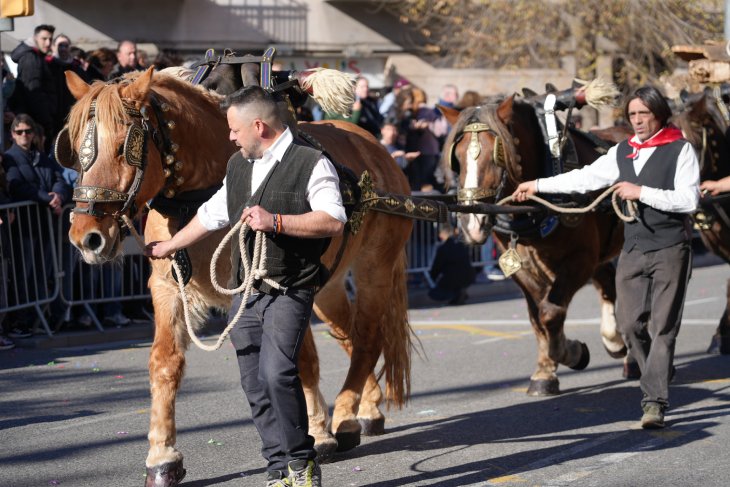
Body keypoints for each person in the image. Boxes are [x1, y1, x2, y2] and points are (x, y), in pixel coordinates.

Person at [145, 86, 345, 487]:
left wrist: (277, 222)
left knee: (276, 374)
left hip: (289, 286)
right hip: (246, 290)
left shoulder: (312, 163)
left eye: (235, 129)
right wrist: (169, 245)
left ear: (259, 126)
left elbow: (333, 220)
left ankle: (301, 463)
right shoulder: (239, 164)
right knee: (253, 383)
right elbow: (212, 214)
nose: (230, 137)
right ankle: (277, 470)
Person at [512, 86, 700, 429]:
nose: (638, 120)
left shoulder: (680, 149)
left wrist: (640, 192)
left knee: (663, 327)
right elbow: (586, 178)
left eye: (644, 114)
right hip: (634, 248)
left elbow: (688, 201)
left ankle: (654, 401)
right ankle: (659, 371)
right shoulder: (623, 151)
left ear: (658, 114)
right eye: (633, 115)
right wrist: (537, 185)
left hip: (672, 247)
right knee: (629, 325)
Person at [3, 114, 72, 335]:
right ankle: (22, 320)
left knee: (43, 274)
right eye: (20, 132)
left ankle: (39, 316)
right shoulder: (10, 158)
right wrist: (47, 198)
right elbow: (17, 186)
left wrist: (58, 196)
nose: (25, 135)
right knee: (25, 273)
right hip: (24, 227)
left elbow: (59, 180)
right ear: (13, 134)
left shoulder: (41, 157)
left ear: (34, 134)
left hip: (45, 226)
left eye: (28, 131)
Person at [9, 24, 59, 151]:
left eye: (50, 39)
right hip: (36, 123)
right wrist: (46, 122)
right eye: (44, 39)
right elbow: (34, 94)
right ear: (35, 38)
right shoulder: (31, 58)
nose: (48, 43)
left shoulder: (37, 57)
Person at [428, 223, 475, 305]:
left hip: (451, 279)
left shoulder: (443, 248)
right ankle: (459, 293)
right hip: (469, 276)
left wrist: (433, 278)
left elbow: (436, 268)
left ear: (442, 234)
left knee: (433, 293)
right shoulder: (462, 245)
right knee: (456, 276)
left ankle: (455, 294)